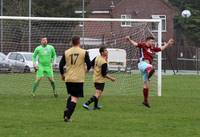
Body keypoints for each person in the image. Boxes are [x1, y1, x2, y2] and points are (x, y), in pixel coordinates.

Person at [126, 36, 174, 108]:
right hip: (142, 64)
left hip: (146, 68)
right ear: (147, 41)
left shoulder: (152, 48)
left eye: (153, 41)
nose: (153, 43)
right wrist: (129, 39)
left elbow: (161, 48)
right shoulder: (143, 45)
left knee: (146, 85)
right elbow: (135, 44)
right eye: (152, 41)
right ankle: (149, 75)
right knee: (152, 69)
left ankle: (145, 101)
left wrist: (167, 44)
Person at [59, 36, 91, 122]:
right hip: (78, 79)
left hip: (68, 78)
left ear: (72, 42)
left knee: (71, 95)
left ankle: (66, 110)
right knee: (74, 98)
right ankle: (68, 116)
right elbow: (89, 64)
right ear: (79, 42)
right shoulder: (84, 52)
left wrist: (62, 74)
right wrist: (86, 70)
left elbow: (61, 65)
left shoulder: (66, 52)